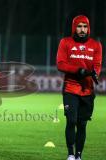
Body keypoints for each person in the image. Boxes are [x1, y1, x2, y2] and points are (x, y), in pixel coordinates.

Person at [56, 15, 102, 160]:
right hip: (70, 88)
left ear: (88, 28)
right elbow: (60, 64)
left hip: (88, 91)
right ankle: (70, 154)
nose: (82, 30)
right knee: (72, 120)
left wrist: (95, 74)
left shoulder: (96, 45)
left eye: (85, 26)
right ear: (74, 27)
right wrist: (78, 70)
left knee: (82, 124)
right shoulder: (65, 42)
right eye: (79, 26)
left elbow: (97, 66)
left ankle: (78, 155)